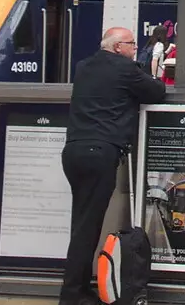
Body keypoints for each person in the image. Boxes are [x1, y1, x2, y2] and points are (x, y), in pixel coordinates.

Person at [61, 26, 166, 305]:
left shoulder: (83, 67)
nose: (135, 48)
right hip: (101, 153)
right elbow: (157, 91)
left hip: (73, 151)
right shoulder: (125, 70)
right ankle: (73, 295)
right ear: (118, 47)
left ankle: (77, 289)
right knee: (87, 227)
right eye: (132, 44)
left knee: (81, 223)